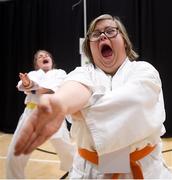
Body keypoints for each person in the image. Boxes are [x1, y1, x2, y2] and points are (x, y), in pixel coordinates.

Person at [14, 14, 172, 179]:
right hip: (90, 172)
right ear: (90, 47)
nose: (103, 35)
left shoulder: (145, 71)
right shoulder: (82, 73)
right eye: (95, 34)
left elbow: (134, 100)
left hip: (146, 171)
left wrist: (80, 107)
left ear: (124, 41)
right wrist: (59, 103)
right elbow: (76, 87)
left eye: (110, 31)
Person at [6, 50, 76, 179]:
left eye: (47, 55)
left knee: (66, 150)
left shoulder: (60, 73)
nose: (44, 56)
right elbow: (23, 85)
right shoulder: (32, 74)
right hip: (31, 114)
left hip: (53, 114)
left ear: (51, 61)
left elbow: (51, 89)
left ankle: (76, 173)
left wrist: (32, 87)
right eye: (40, 56)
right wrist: (27, 84)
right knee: (16, 152)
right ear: (37, 63)